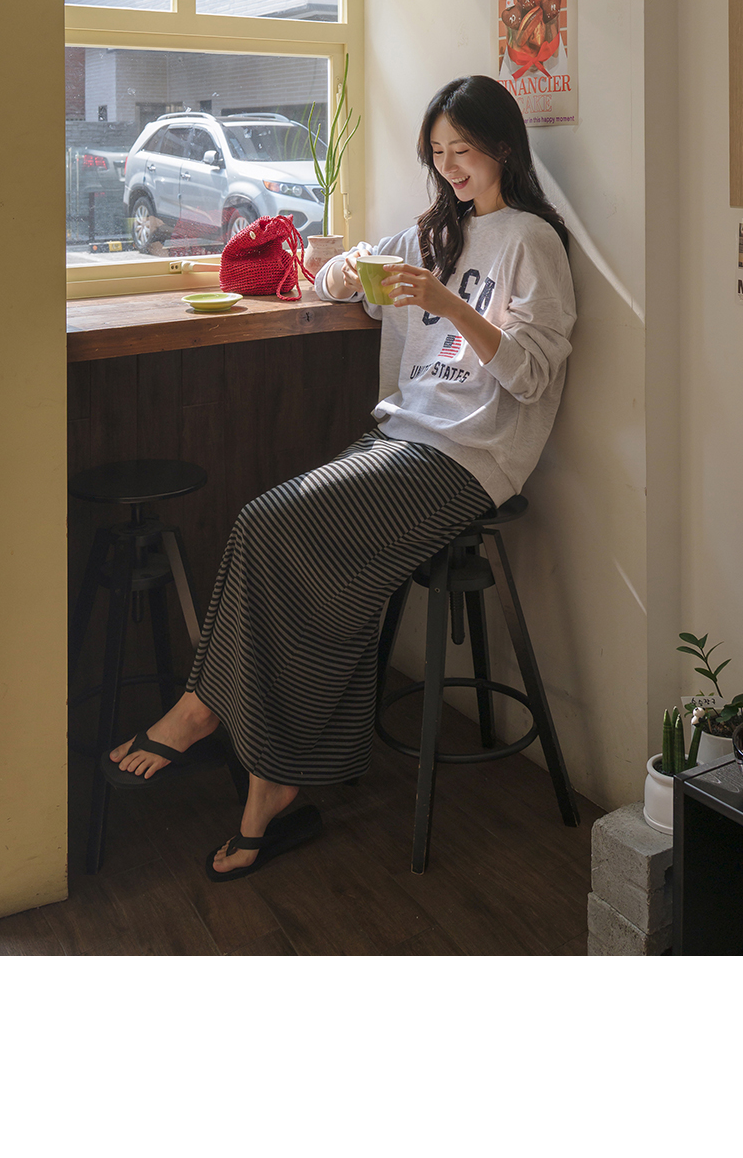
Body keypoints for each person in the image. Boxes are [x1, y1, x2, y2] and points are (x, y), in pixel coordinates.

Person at [102, 75, 576, 883]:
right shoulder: (434, 232)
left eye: (462, 149)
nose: (450, 165)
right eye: (437, 152)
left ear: (503, 146)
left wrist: (449, 304)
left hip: (471, 458)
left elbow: (532, 377)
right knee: (286, 547)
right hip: (402, 438)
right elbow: (333, 279)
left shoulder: (532, 240)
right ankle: (270, 775)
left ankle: (204, 711)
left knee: (267, 521)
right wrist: (349, 269)